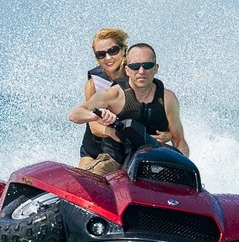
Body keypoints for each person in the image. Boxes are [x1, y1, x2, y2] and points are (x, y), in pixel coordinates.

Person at [69, 43, 188, 175]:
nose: (141, 71)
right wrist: (96, 116)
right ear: (127, 70)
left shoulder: (168, 98)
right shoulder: (113, 95)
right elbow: (74, 115)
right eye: (135, 66)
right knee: (89, 177)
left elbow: (179, 140)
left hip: (152, 164)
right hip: (114, 161)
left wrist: (182, 169)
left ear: (156, 68)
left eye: (147, 65)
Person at [78, 28, 129, 170]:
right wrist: (115, 134)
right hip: (95, 146)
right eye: (101, 54)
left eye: (113, 51)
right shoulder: (93, 84)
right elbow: (94, 127)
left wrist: (166, 135)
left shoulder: (136, 75)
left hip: (124, 149)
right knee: (83, 179)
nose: (108, 58)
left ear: (124, 50)